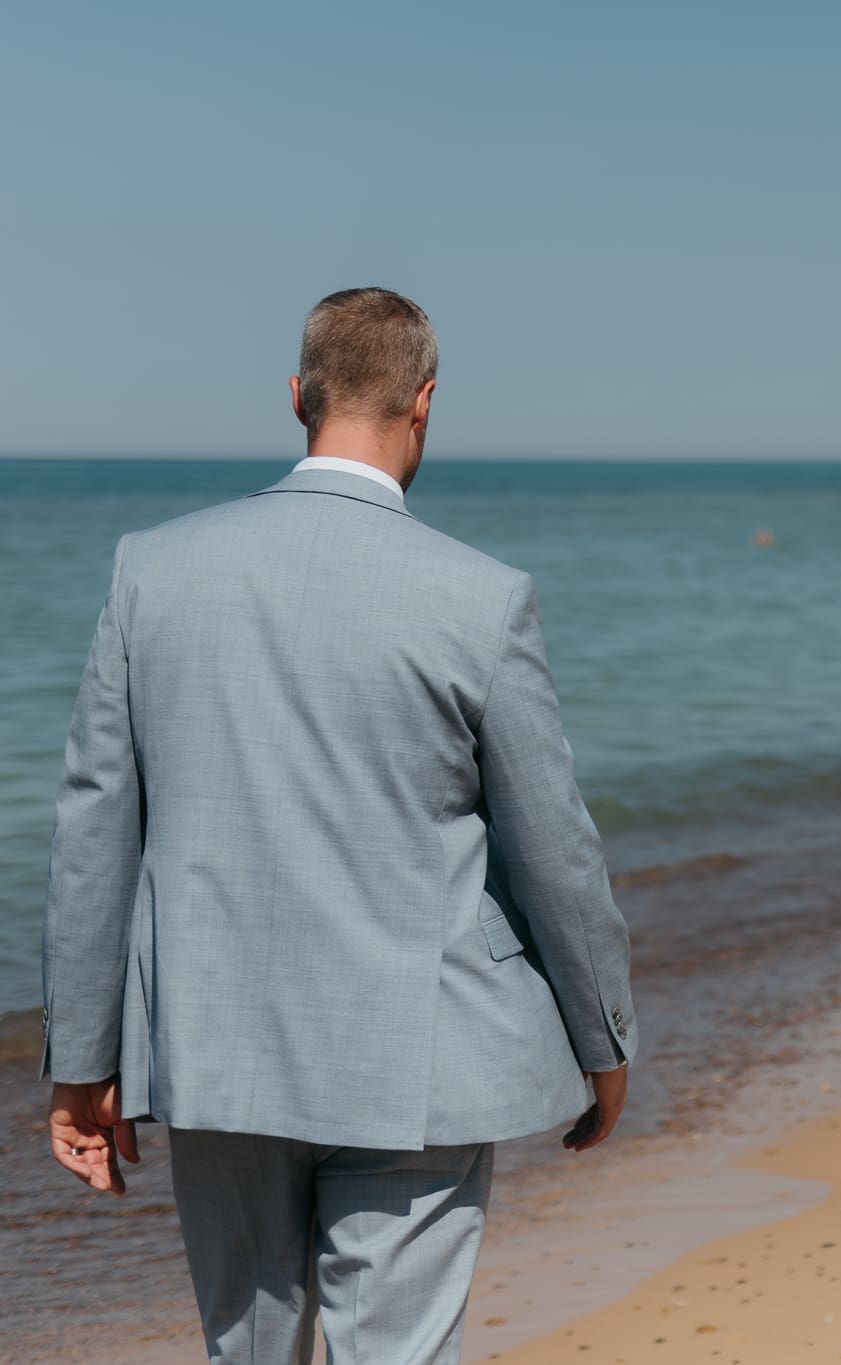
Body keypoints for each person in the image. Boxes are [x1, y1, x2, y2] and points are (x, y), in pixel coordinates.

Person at [40, 287, 637, 1365]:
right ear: (424, 400)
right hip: (421, 1050)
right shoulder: (481, 596)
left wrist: (82, 1060)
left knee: (250, 1354)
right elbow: (554, 848)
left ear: (296, 397)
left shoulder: (153, 570)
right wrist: (603, 1037)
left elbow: (95, 830)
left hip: (216, 1048)